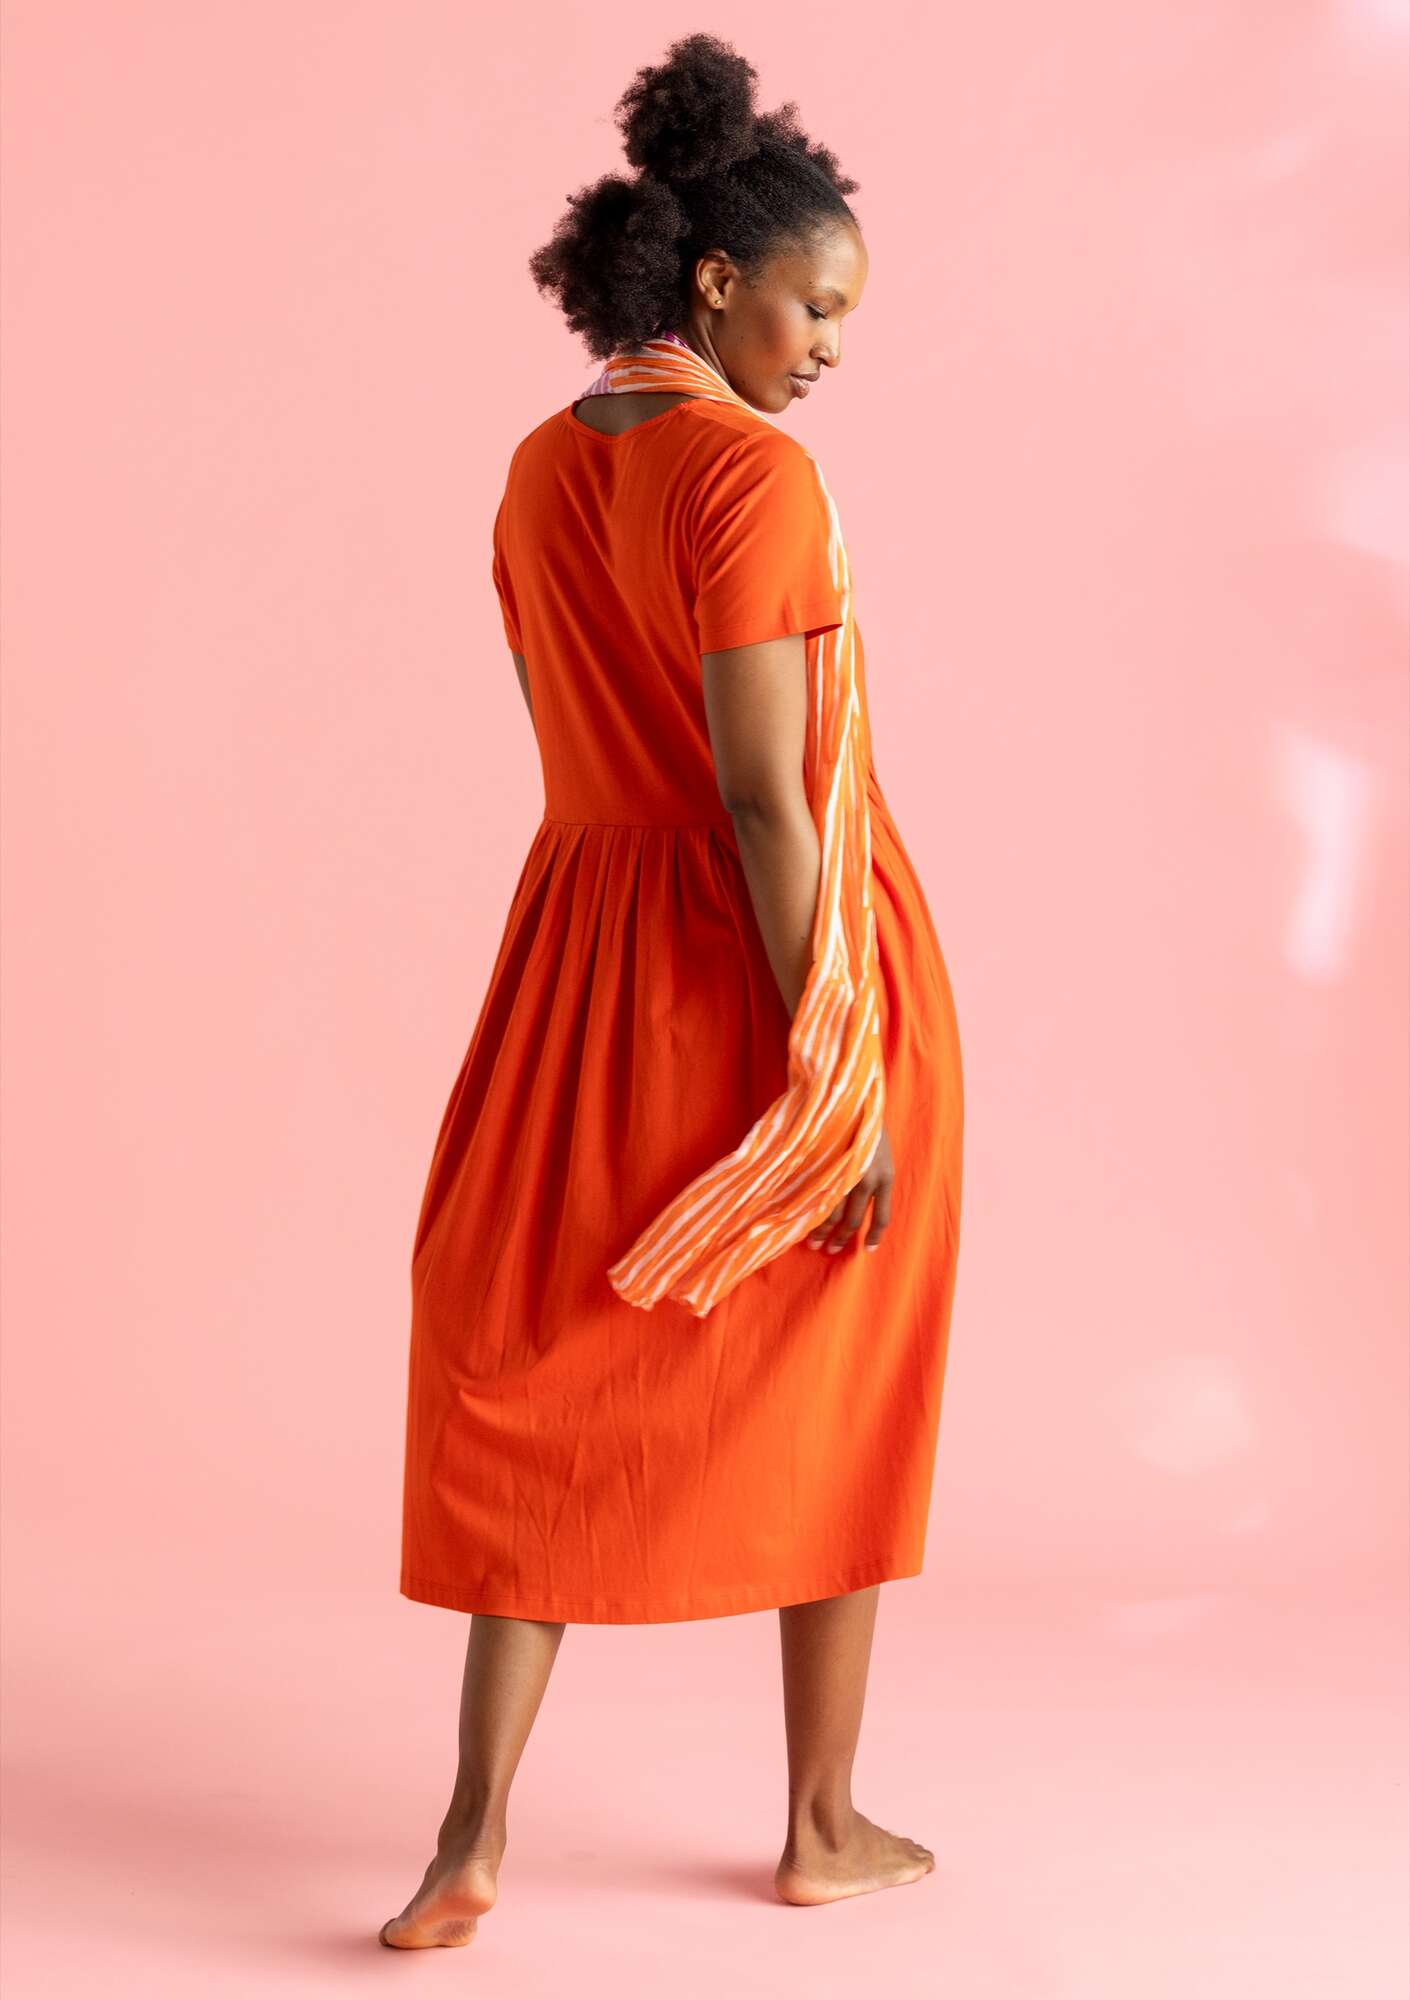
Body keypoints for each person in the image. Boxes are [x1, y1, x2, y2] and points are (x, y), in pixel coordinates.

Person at [380, 31, 964, 1949]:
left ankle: (471, 1834)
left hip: (576, 960)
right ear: (719, 279)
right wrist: (832, 1067)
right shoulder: (753, 476)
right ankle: (820, 1819)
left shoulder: (539, 469)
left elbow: (571, 732)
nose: (831, 348)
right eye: (817, 304)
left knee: (536, 1374)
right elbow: (761, 796)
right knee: (842, 1372)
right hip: (774, 963)